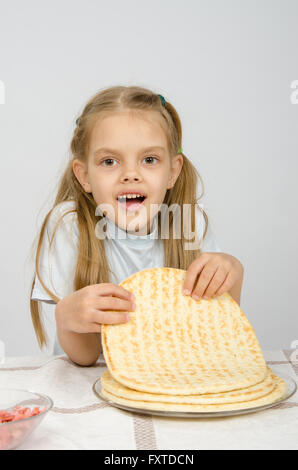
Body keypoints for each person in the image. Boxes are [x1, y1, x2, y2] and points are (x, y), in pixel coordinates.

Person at [30, 85, 244, 366]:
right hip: (91, 385)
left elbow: (215, 334)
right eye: (109, 161)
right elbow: (85, 358)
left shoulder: (189, 222)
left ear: (173, 171)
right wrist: (67, 318)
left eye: (149, 160)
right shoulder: (69, 225)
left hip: (168, 380)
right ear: (84, 176)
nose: (130, 174)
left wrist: (233, 271)